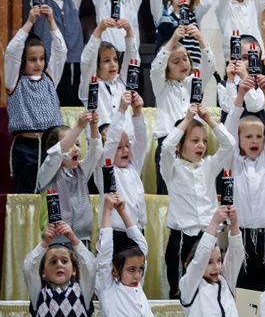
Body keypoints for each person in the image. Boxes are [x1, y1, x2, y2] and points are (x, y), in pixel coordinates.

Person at [160, 103, 236, 299]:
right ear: (181, 144)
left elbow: (230, 144)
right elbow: (167, 147)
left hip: (207, 238)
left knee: (208, 290)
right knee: (180, 293)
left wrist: (209, 119)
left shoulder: (209, 165)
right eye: (194, 140)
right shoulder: (172, 168)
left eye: (204, 141)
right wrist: (187, 120)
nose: (201, 145)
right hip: (182, 239)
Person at [223, 75, 265, 291]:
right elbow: (227, 133)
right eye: (248, 136)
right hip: (242, 236)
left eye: (259, 136)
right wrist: (239, 97)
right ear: (239, 139)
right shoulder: (233, 162)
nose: (255, 140)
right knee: (242, 290)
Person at [5, 4, 66, 193]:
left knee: (52, 196)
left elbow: (61, 51)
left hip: (52, 145)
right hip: (26, 148)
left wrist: (51, 21)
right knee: (25, 196)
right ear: (22, 62)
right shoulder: (13, 81)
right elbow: (11, 52)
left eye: (41, 58)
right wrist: (30, 22)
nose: (38, 63)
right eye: (32, 59)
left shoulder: (49, 77)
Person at [150, 24, 217, 194]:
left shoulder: (194, 81)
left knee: (194, 191)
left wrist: (201, 39)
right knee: (167, 192)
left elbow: (210, 65)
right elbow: (156, 68)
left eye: (185, 58)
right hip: (169, 143)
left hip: (193, 142)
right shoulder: (162, 86)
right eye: (176, 61)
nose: (183, 64)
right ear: (167, 66)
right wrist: (173, 40)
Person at [36, 110, 101, 248]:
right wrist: (79, 126)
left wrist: (94, 126)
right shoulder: (47, 173)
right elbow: (56, 153)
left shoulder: (81, 170)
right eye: (70, 144)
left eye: (77, 144)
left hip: (83, 242)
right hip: (56, 242)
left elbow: (95, 151)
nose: (76, 149)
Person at [34, 0, 85, 105]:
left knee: (71, 101)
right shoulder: (40, 1)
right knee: (49, 100)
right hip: (48, 62)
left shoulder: (73, 0)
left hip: (73, 61)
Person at [100, 92, 148, 250]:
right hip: (116, 233)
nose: (125, 150)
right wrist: (121, 110)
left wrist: (138, 112)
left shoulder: (133, 166)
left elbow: (141, 141)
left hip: (137, 231)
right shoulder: (105, 169)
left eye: (127, 145)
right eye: (119, 147)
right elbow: (112, 140)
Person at [78, 17, 139, 129]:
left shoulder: (122, 82)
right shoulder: (90, 85)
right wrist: (99, 30)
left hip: (125, 143)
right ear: (96, 65)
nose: (113, 64)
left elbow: (132, 59)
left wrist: (129, 31)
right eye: (106, 60)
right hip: (100, 142)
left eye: (115, 59)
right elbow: (87, 60)